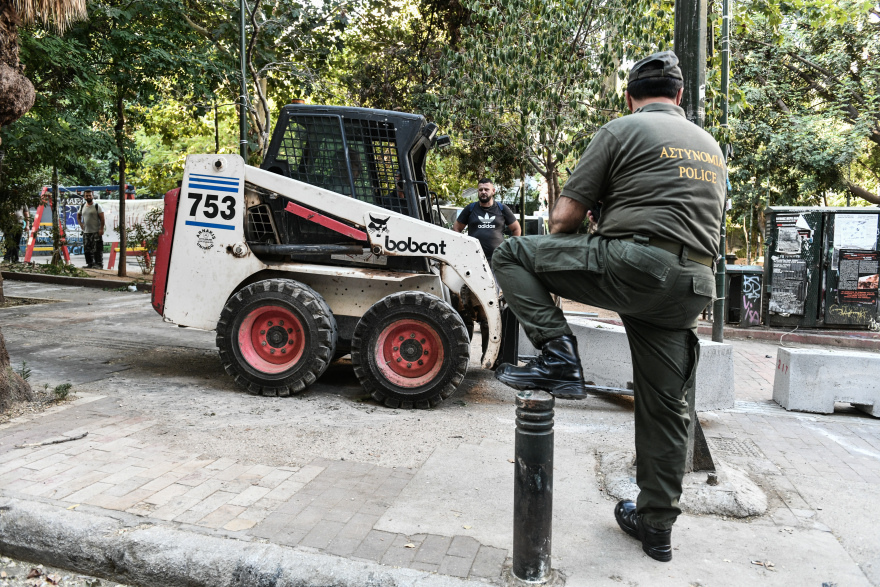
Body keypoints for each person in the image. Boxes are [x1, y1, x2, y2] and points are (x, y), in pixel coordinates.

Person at [491, 51, 725, 562]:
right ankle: (657, 528)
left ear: (629, 97)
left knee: (511, 253)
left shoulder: (621, 130)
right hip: (693, 285)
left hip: (636, 265)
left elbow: (562, 221)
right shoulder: (710, 146)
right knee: (666, 408)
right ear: (679, 96)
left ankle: (558, 355)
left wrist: (597, 219)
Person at [453, 179, 522, 264]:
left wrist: (509, 248)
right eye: (480, 190)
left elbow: (516, 229)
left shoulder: (502, 208)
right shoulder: (470, 208)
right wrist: (463, 246)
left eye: (486, 189)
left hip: (497, 260)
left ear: (493, 191)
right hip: (474, 259)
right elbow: (456, 228)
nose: (483, 192)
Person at [77, 190, 105, 269]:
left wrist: (101, 229)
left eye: (90, 195)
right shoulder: (82, 206)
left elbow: (102, 219)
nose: (88, 197)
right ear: (84, 197)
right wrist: (81, 224)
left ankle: (99, 264)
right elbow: (78, 216)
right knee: (87, 249)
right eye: (87, 195)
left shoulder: (97, 206)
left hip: (95, 231)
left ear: (92, 196)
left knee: (97, 249)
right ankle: (90, 264)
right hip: (86, 232)